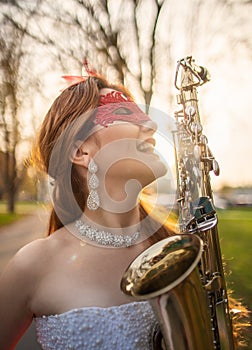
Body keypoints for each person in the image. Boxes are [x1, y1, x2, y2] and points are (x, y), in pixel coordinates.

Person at [0, 68, 174, 349]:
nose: (151, 125)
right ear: (81, 152)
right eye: (125, 112)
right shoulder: (32, 266)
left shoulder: (176, 248)